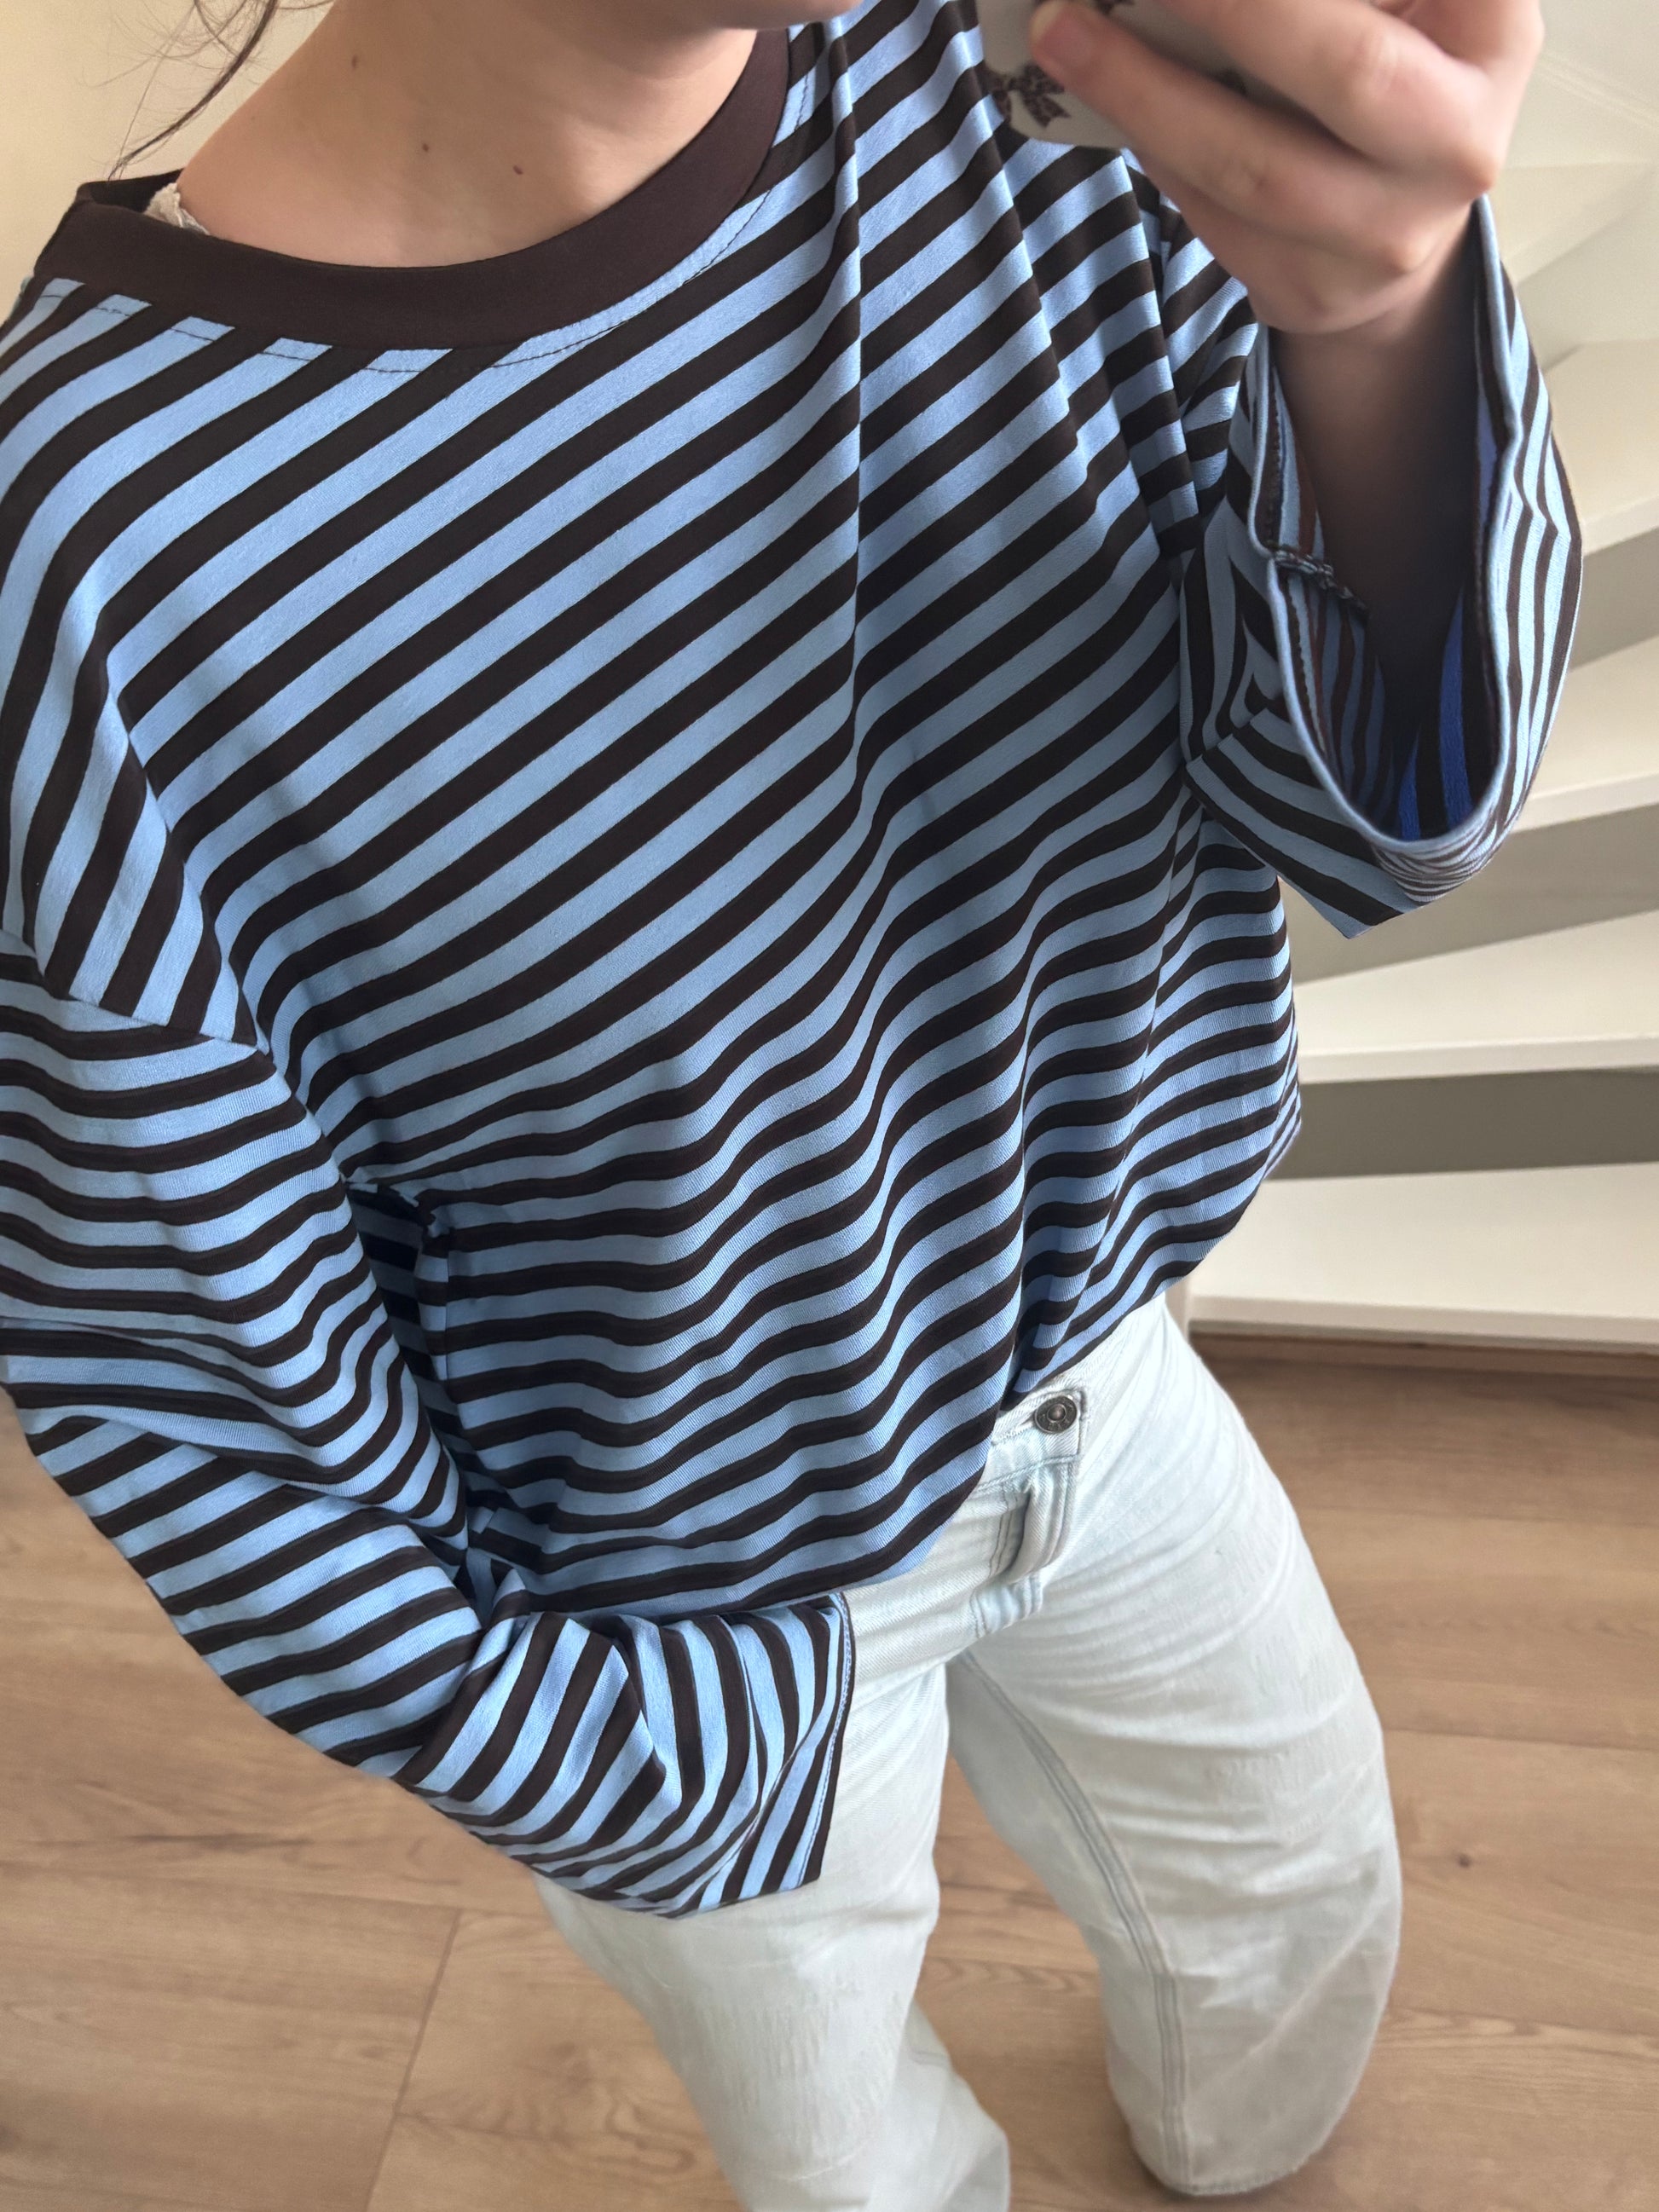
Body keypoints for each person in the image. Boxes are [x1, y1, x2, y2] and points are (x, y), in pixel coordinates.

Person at [0, 0, 1575, 2205]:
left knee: (1294, 1895)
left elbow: (1372, 816)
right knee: (841, 2155)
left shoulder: (1040, 104)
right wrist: (609, 1754)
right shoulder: (92, 547)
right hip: (678, 1595)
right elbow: (190, 1364)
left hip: (1102, 1380)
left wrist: (1379, 324)